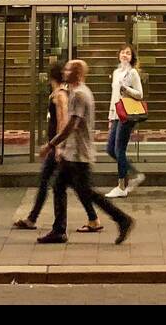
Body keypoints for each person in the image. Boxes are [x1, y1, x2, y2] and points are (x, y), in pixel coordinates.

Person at [36, 59, 134, 246]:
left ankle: (122, 219)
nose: (65, 72)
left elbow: (71, 126)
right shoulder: (76, 92)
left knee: (87, 192)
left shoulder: (80, 95)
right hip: (73, 153)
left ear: (78, 73)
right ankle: (59, 230)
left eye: (69, 69)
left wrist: (51, 145)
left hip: (79, 155)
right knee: (61, 187)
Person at [13, 60, 101, 233]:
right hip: (60, 145)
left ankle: (41, 221)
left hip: (59, 146)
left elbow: (64, 120)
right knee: (66, 184)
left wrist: (57, 146)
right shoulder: (60, 93)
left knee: (53, 182)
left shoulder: (61, 95)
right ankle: (91, 218)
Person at [105, 43, 145, 198]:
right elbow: (114, 96)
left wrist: (126, 89)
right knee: (110, 149)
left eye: (128, 53)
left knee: (119, 149)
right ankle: (134, 174)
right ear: (118, 55)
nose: (125, 55)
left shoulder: (133, 73)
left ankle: (121, 186)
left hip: (127, 114)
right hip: (116, 114)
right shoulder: (116, 72)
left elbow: (140, 94)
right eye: (122, 53)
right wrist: (110, 116)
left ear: (132, 57)